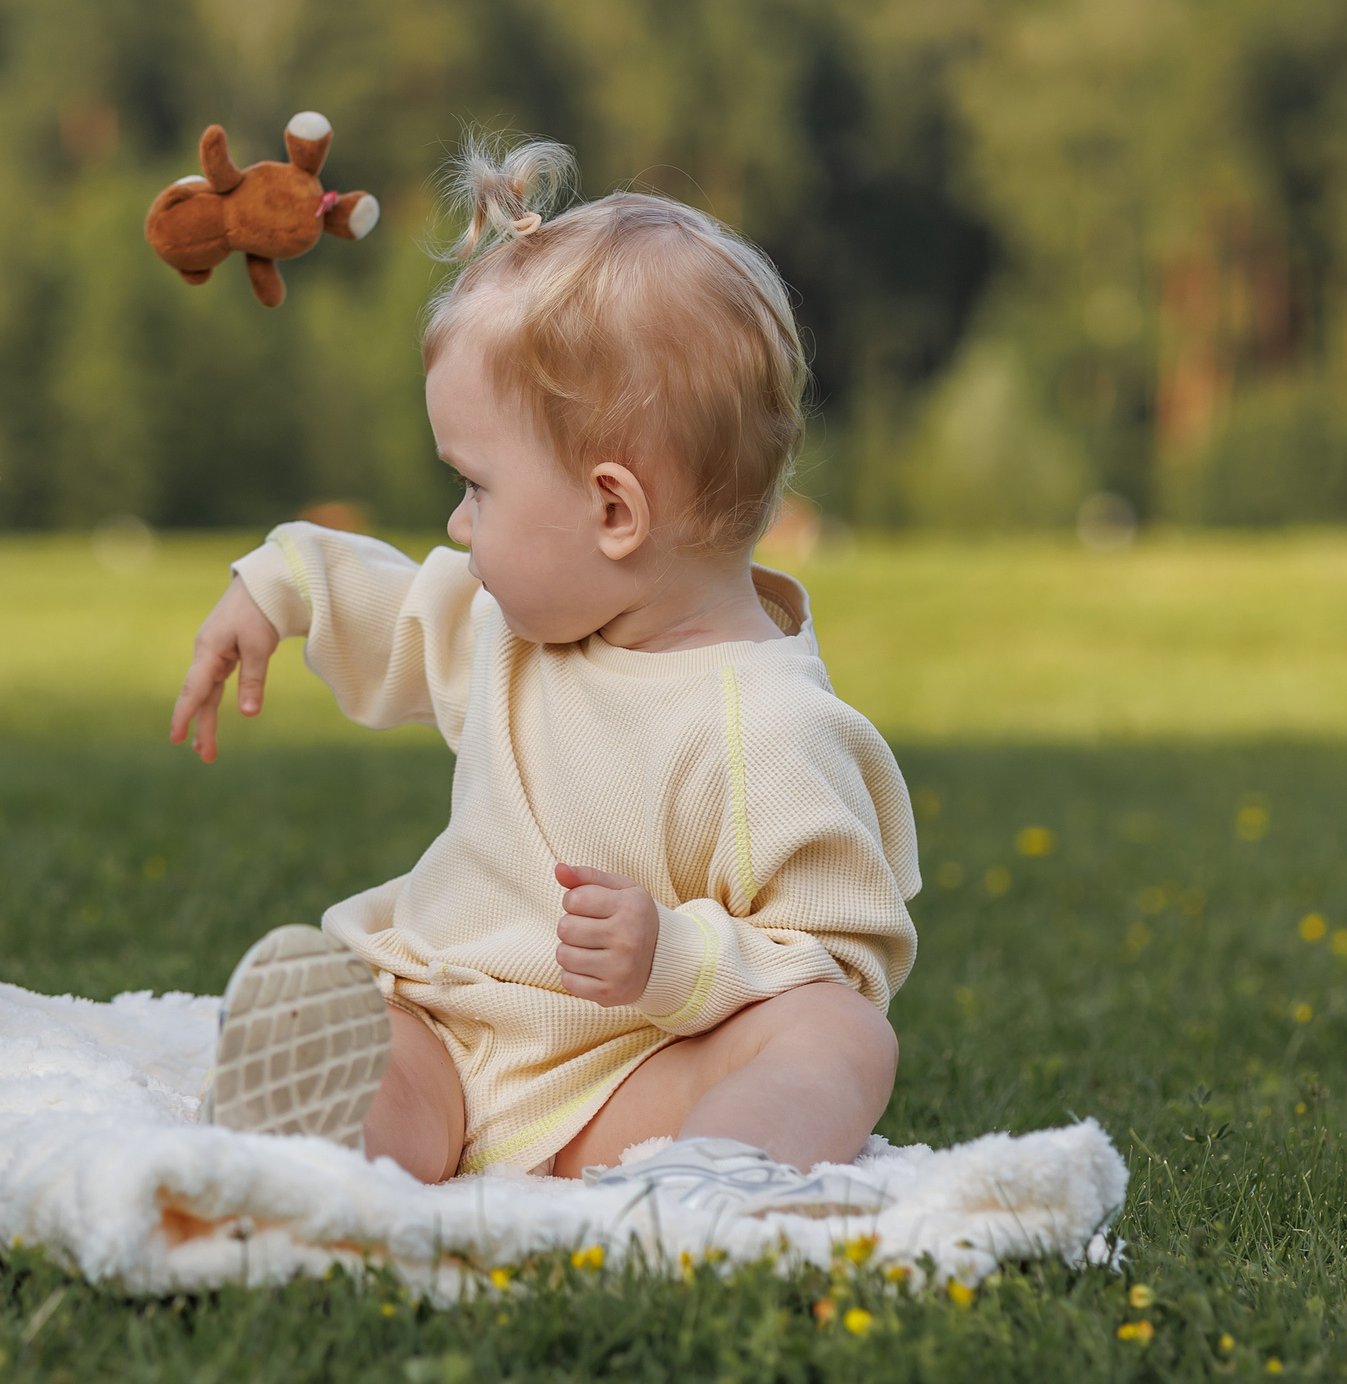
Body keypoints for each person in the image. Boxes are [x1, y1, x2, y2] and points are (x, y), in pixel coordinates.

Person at [170, 138, 919, 1212]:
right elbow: (399, 599)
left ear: (613, 511)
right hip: (446, 1018)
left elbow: (838, 951)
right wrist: (281, 584)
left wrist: (676, 953)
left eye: (475, 487)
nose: (455, 523)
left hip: (626, 1081)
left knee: (836, 1035)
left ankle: (713, 1180)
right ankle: (313, 1158)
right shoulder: (516, 627)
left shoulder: (768, 726)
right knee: (366, 1035)